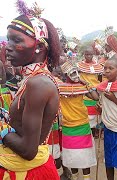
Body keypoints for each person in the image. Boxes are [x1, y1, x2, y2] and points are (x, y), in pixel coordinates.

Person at [0, 1, 61, 178]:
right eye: (8, 38)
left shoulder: (38, 84)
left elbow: (28, 150)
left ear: (40, 47)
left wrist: (2, 129)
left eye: (16, 40)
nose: (7, 46)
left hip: (27, 172)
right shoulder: (33, 79)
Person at [59, 61, 98, 180]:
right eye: (72, 73)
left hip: (82, 125)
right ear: (66, 75)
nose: (75, 75)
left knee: (84, 156)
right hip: (68, 126)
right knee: (72, 157)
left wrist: (85, 82)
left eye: (77, 73)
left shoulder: (81, 86)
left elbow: (96, 97)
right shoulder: (59, 88)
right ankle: (75, 177)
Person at [77, 46, 104, 135]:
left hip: (95, 91)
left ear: (93, 55)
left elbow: (100, 79)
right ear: (84, 55)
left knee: (96, 112)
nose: (88, 56)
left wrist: (98, 88)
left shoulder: (99, 67)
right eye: (86, 54)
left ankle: (96, 130)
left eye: (90, 54)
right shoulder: (79, 65)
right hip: (84, 91)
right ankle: (89, 131)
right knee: (86, 113)